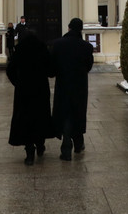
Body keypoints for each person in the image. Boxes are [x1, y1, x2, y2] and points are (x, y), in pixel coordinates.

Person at [49, 17, 94, 161]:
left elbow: (52, 69)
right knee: (78, 113)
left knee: (66, 114)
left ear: (68, 28)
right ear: (81, 29)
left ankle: (66, 147)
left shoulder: (57, 44)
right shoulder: (86, 47)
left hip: (63, 86)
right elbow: (88, 67)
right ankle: (79, 144)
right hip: (80, 86)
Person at [6, 30, 53, 165]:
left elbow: (10, 70)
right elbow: (50, 69)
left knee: (26, 119)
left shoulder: (20, 50)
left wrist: (18, 83)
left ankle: (29, 152)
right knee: (40, 117)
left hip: (24, 91)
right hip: (40, 90)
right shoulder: (42, 49)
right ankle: (40, 144)